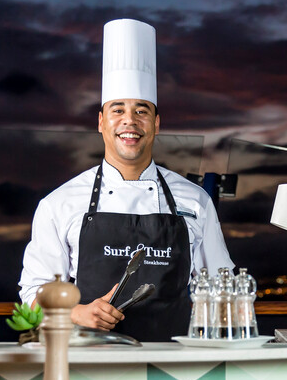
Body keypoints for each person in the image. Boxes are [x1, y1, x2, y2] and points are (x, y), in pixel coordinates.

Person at [18, 18, 234, 342]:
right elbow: (32, 298)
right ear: (101, 122)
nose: (129, 121)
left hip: (176, 366)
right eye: (117, 110)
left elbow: (223, 287)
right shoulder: (59, 204)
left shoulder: (195, 201)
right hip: (89, 366)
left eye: (142, 110)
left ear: (157, 123)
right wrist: (77, 312)